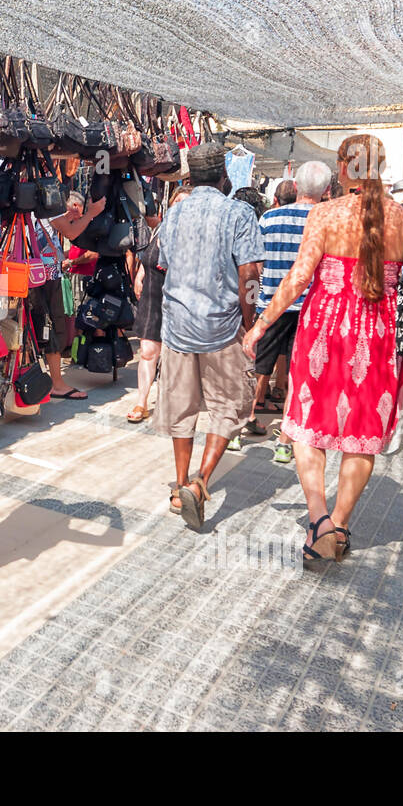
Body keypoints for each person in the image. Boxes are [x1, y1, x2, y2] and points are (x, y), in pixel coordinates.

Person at [244, 135, 403, 566]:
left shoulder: (326, 214)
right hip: (380, 336)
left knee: (306, 424)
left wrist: (260, 325)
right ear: (382, 168)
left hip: (323, 331)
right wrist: (398, 313)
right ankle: (342, 524)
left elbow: (297, 279)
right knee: (362, 438)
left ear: (344, 169)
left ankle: (319, 524)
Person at [156, 143, 265, 530]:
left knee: (181, 409)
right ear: (224, 177)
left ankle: (179, 485)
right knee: (227, 406)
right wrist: (249, 318)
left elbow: (163, 262)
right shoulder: (239, 212)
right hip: (222, 327)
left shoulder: (176, 212)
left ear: (190, 176)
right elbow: (250, 272)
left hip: (178, 326)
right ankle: (201, 482)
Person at [245, 161, 332, 464]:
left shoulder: (268, 218)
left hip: (271, 303)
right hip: (310, 307)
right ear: (327, 191)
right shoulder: (327, 221)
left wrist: (255, 297)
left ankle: (239, 427)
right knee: (296, 372)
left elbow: (254, 263)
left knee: (259, 367)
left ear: (295, 187)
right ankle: (284, 439)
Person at [29, 191, 107, 399]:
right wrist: (91, 213)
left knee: (39, 326)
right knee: (53, 325)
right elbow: (71, 233)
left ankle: (48, 380)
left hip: (30, 271)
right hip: (47, 274)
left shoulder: (27, 204)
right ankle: (56, 383)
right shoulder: (46, 206)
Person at [127, 186, 189, 423]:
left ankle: (170, 401)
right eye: (177, 202)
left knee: (174, 356)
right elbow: (148, 256)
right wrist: (141, 274)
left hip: (177, 299)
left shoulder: (193, 234)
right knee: (147, 352)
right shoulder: (161, 228)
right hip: (152, 295)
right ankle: (142, 401)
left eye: (186, 203)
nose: (180, 206)